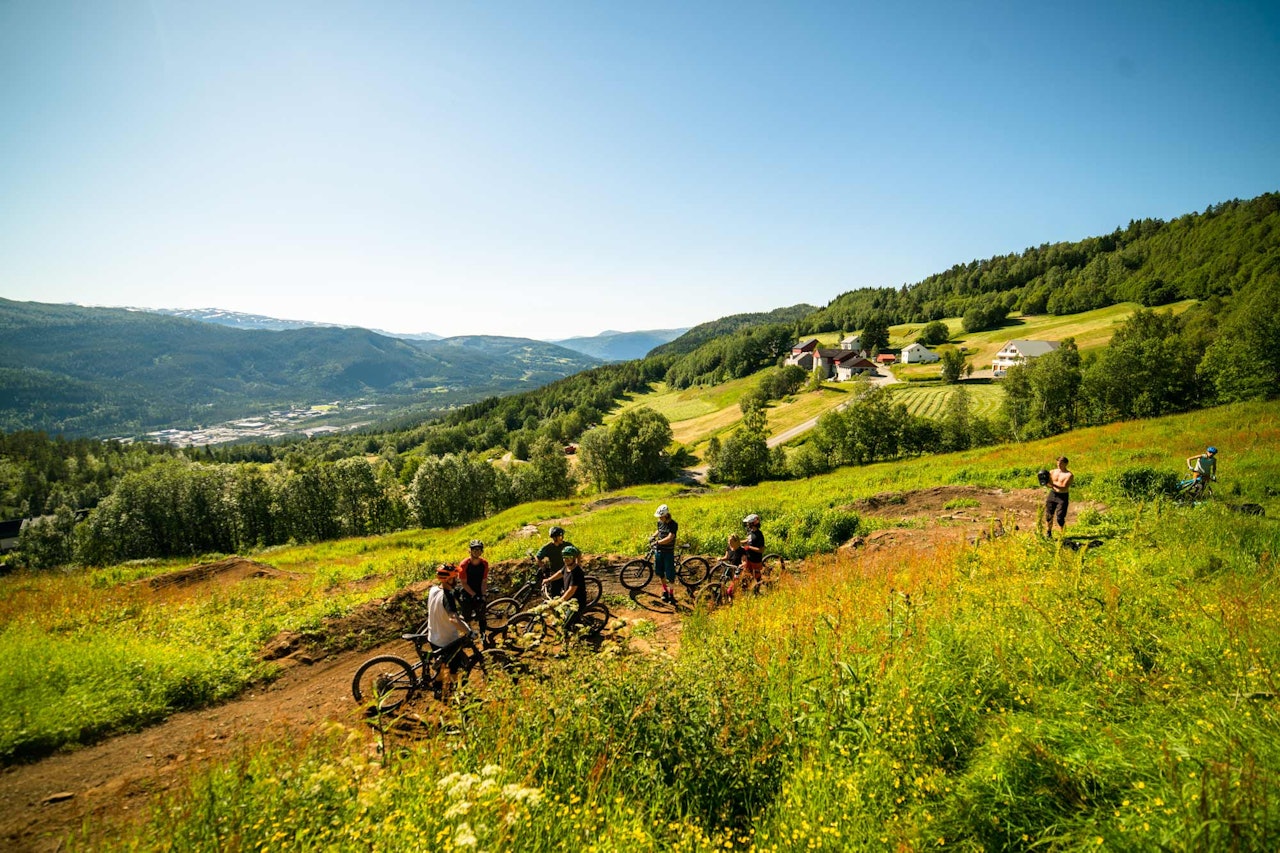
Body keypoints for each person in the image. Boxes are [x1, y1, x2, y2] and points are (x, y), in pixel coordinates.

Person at [545, 544, 588, 641]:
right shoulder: (567, 567)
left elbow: (571, 590)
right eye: (564, 557)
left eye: (568, 557)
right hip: (569, 599)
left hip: (576, 603)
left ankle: (565, 647)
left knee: (564, 626)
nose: (566, 559)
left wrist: (560, 601)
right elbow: (560, 573)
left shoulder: (577, 572)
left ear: (573, 558)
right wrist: (548, 580)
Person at [456, 539, 489, 643]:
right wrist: (474, 595)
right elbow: (464, 583)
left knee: (482, 613)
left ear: (482, 551)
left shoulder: (484, 564)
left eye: (479, 549)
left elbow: (484, 581)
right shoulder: (464, 564)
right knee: (466, 615)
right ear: (469, 551)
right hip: (467, 591)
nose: (476, 551)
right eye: (474, 549)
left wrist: (482, 595)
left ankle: (483, 633)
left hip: (479, 589)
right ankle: (468, 633)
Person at [651, 504, 679, 605]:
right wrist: (653, 536)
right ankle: (665, 591)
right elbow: (658, 531)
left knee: (670, 575)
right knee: (660, 572)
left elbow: (670, 537)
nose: (659, 518)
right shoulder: (660, 522)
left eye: (661, 516)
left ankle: (671, 594)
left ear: (666, 515)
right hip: (659, 551)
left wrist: (658, 542)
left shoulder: (673, 524)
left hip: (668, 552)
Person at [535, 526, 570, 597]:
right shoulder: (548, 548)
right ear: (554, 538)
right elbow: (538, 557)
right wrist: (542, 567)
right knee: (555, 595)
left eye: (562, 536)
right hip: (555, 574)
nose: (562, 538)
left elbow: (578, 553)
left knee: (569, 593)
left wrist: (577, 563)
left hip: (567, 573)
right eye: (560, 536)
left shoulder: (566, 545)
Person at [1045, 456, 1074, 539]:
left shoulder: (1069, 475)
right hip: (1052, 494)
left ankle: (1062, 535)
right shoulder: (1052, 472)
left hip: (1062, 496)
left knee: (1060, 517)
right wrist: (1044, 482)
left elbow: (1063, 487)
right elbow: (1048, 485)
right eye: (1058, 463)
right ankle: (1048, 533)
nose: (1059, 464)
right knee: (1048, 515)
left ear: (1066, 464)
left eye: (1061, 463)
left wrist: (1052, 484)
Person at [741, 514, 765, 586]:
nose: (747, 525)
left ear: (753, 523)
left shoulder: (759, 535)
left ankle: (758, 591)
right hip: (749, 558)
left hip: (756, 559)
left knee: (757, 577)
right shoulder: (751, 532)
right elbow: (748, 540)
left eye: (748, 523)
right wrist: (738, 542)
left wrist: (749, 547)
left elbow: (761, 550)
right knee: (746, 575)